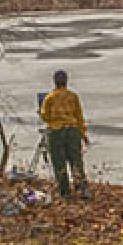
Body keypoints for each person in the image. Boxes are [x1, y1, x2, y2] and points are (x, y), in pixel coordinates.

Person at [39, 69, 91, 200]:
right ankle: (83, 188)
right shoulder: (73, 96)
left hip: (56, 132)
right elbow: (79, 117)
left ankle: (65, 192)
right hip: (72, 130)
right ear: (66, 81)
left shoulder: (49, 97)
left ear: (54, 82)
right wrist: (83, 134)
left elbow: (45, 117)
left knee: (59, 162)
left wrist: (41, 112)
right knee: (76, 160)